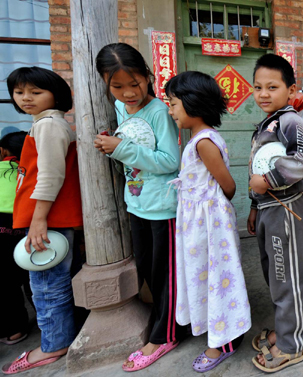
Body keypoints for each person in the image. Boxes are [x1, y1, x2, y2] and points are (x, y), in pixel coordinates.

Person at [93, 43, 182, 372]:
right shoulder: (118, 107)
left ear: (148, 76)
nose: (129, 93)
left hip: (163, 207)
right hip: (136, 203)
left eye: (136, 83)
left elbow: (170, 162)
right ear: (105, 83)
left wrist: (121, 148)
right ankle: (165, 324)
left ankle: (164, 335)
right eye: (118, 86)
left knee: (165, 275)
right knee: (146, 268)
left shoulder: (159, 111)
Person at [164, 71, 251, 372]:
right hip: (199, 223)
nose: (171, 109)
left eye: (174, 103)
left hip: (210, 225)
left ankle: (223, 340)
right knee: (205, 276)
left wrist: (207, 207)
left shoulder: (203, 142)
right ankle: (218, 330)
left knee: (217, 277)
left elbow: (228, 186)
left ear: (193, 102)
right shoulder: (198, 140)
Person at [3, 67, 83, 374]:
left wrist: (38, 221)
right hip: (52, 219)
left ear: (56, 95)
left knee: (47, 286)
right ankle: (61, 338)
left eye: (36, 92)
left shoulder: (49, 125)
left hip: (50, 221)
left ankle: (53, 345)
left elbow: (50, 175)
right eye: (20, 92)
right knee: (55, 283)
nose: (26, 98)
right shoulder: (45, 125)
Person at [247, 54, 303, 372]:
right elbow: (258, 165)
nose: (263, 93)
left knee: (286, 277)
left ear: (289, 90)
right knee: (276, 277)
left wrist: (269, 181)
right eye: (258, 86)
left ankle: (291, 344)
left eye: (272, 87)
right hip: (267, 209)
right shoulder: (266, 123)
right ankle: (284, 330)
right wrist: (253, 205)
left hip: (287, 209)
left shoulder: (292, 121)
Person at [0, 129, 28, 345]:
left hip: (1, 229)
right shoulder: (27, 169)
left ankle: (15, 330)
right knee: (33, 277)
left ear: (3, 151)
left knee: (6, 284)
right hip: (26, 226)